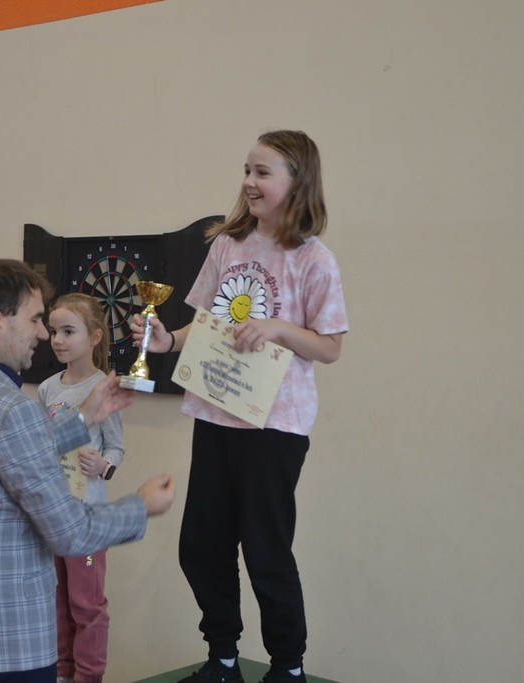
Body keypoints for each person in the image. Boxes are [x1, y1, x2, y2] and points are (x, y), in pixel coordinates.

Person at [130, 130, 348, 683]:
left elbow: (330, 347)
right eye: (246, 171)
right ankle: (223, 658)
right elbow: (206, 323)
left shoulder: (314, 260)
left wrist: (279, 328)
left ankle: (287, 666)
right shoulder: (228, 245)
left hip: (275, 426)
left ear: (297, 181)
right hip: (217, 412)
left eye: (262, 172)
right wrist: (166, 341)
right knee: (201, 546)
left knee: (266, 551)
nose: (249, 182)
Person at [0, 258, 176, 683]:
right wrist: (140, 507)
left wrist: (83, 419)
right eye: (35, 320)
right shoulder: (12, 410)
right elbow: (70, 533)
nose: (45, 334)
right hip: (5, 642)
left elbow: (0, 456)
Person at [38, 293, 123, 683]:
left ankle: (88, 676)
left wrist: (103, 466)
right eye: (53, 331)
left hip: (87, 516)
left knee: (85, 603)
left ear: (94, 336)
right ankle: (61, 671)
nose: (57, 340)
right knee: (58, 598)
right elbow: (43, 443)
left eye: (68, 331)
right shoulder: (47, 389)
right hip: (54, 511)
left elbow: (116, 447)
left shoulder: (104, 387)